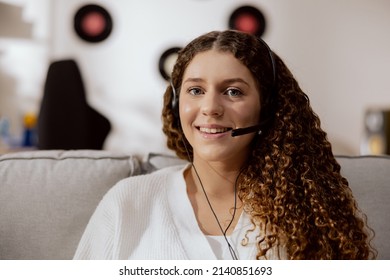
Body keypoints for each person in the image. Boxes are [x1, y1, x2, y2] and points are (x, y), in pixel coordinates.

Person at [74, 30, 376, 260]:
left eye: (232, 91)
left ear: (268, 108)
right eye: (195, 90)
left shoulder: (305, 207)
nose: (210, 107)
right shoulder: (128, 203)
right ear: (177, 103)